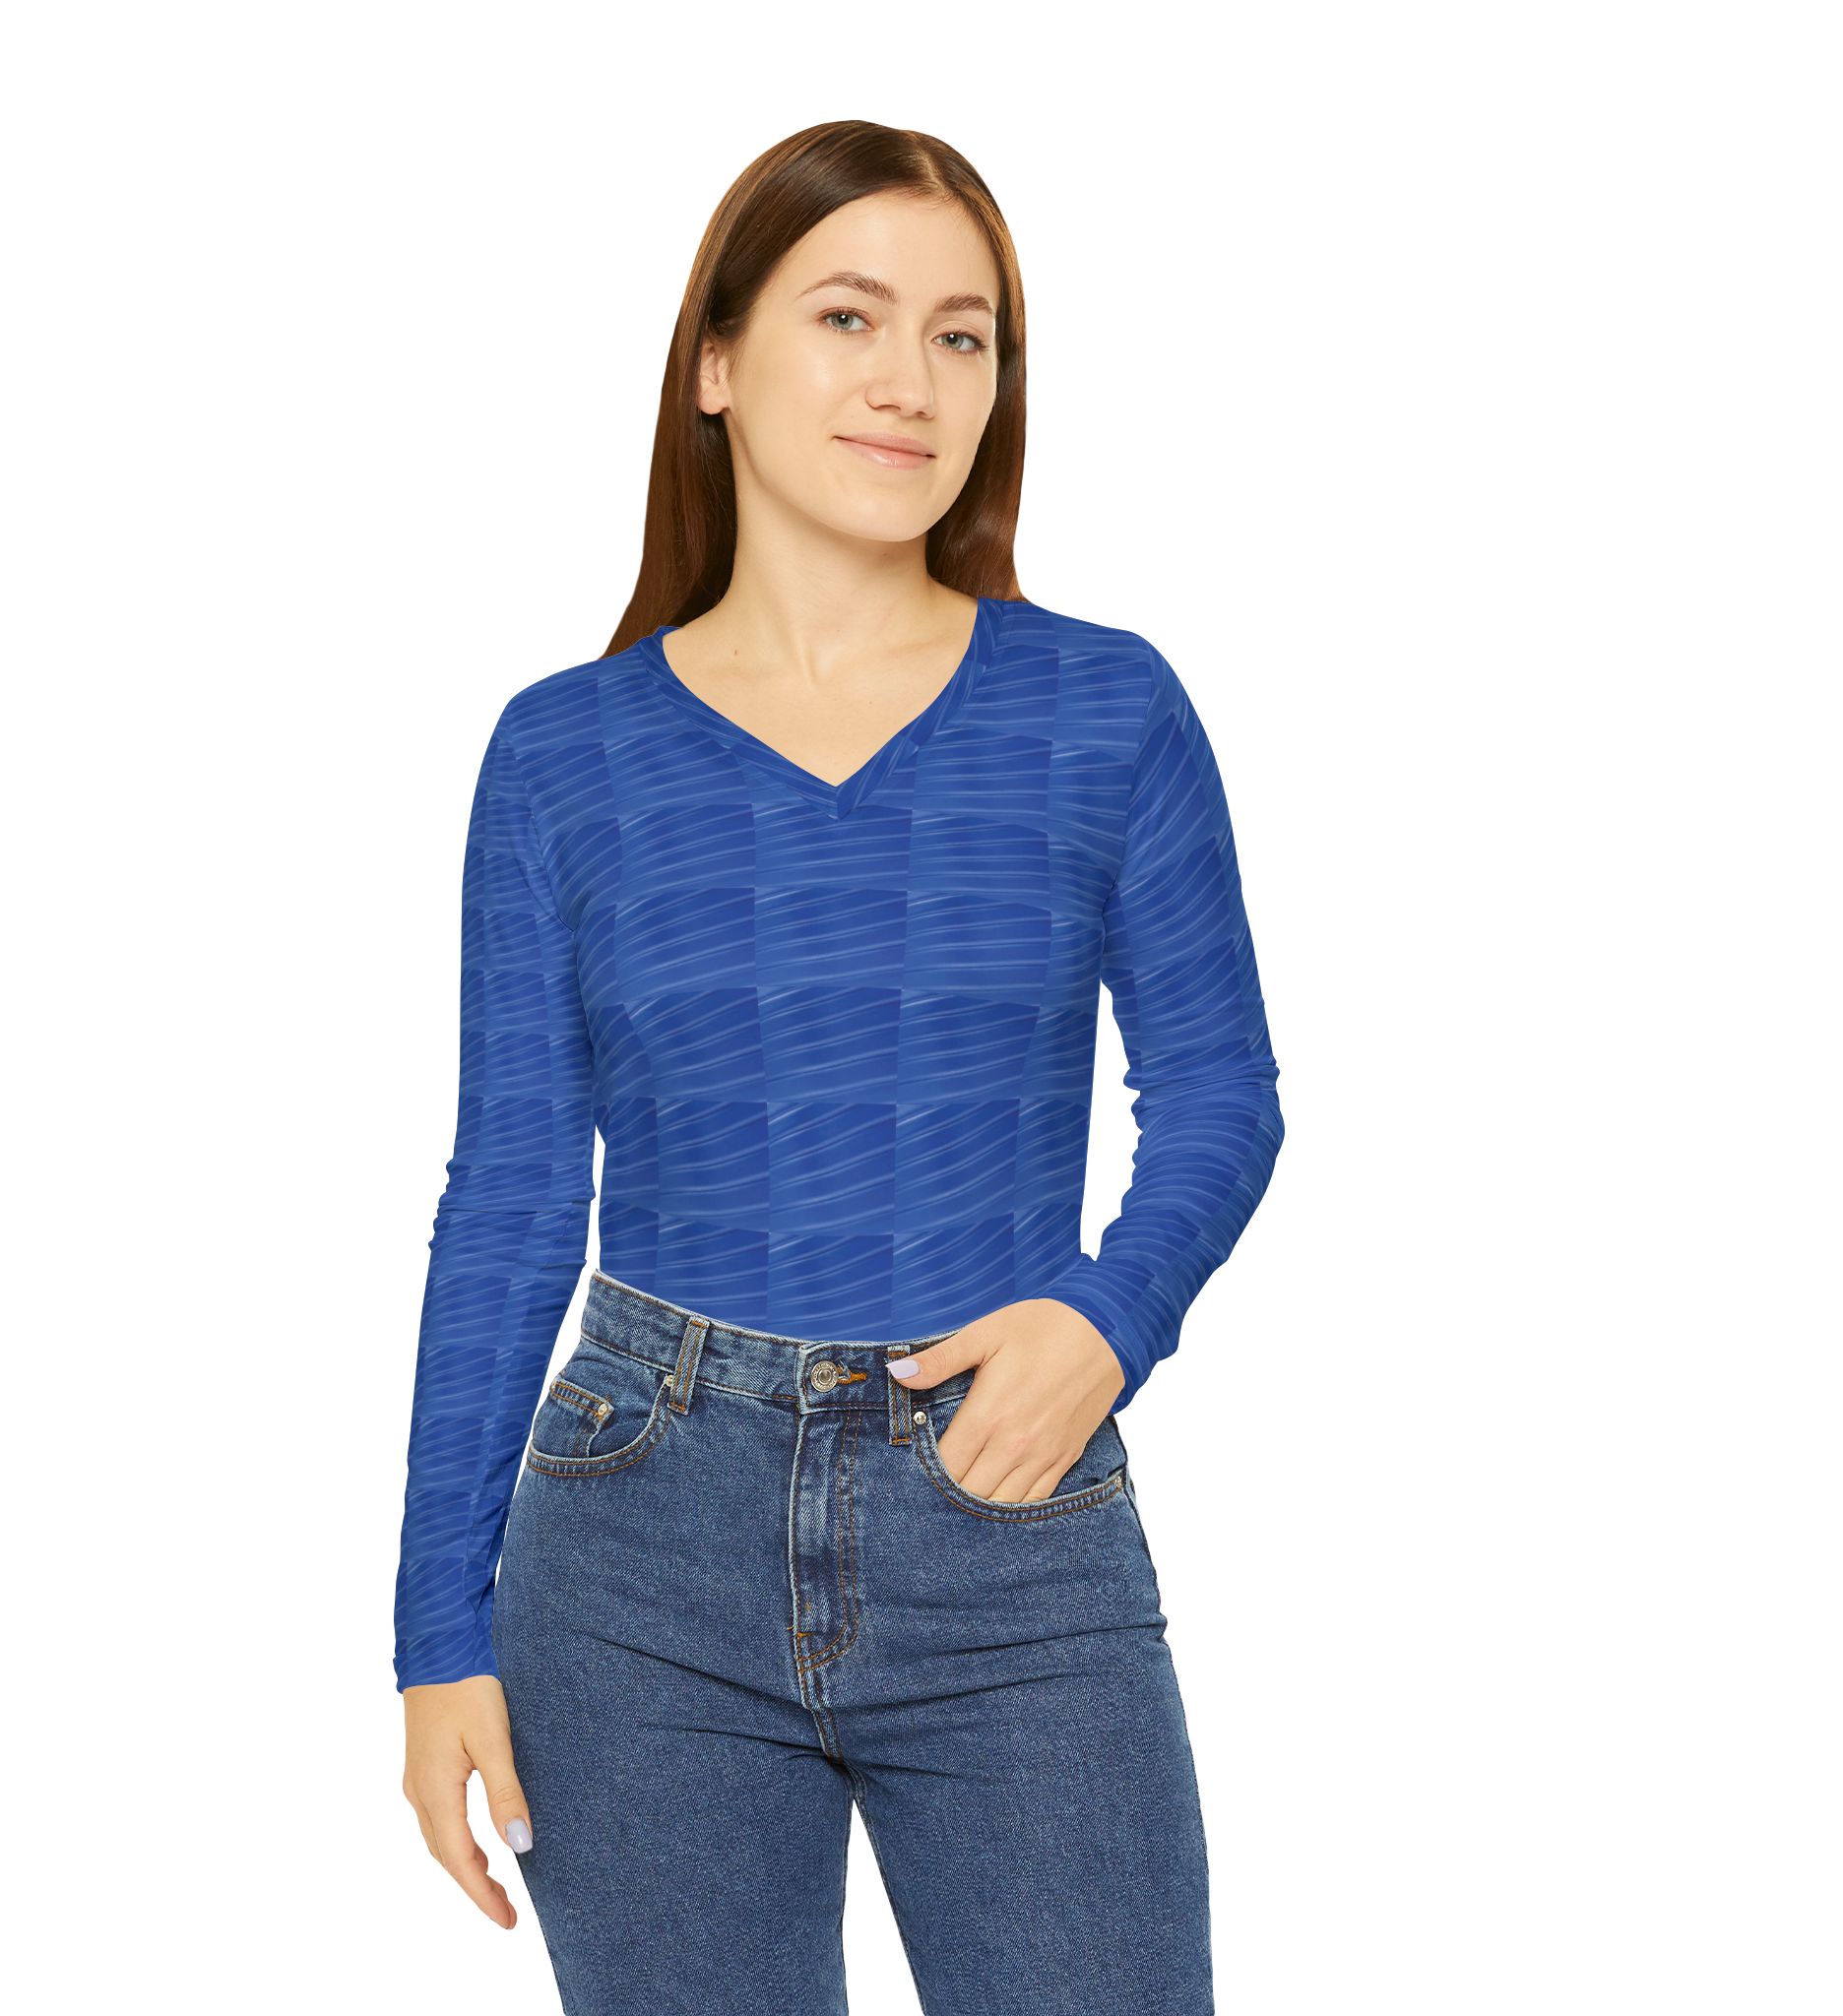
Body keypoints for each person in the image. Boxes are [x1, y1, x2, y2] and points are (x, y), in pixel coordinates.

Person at [395, 118, 1285, 2015]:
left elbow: (1220, 1093)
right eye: (851, 317)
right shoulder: (563, 757)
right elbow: (513, 1196)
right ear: (716, 361)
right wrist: (434, 1634)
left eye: (964, 338)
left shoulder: (1104, 708)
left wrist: (1110, 1318)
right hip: (636, 1543)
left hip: (1009, 1514)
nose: (913, 381)